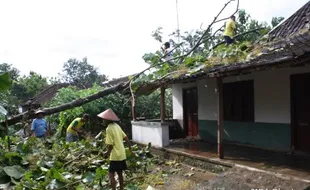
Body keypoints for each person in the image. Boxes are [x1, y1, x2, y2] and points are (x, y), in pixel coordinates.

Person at [98, 108, 132, 190]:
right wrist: (131, 149)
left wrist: (107, 153)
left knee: (111, 174)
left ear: (107, 119)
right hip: (122, 154)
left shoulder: (109, 128)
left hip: (115, 155)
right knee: (120, 173)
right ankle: (121, 188)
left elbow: (110, 145)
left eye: (103, 119)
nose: (102, 121)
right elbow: (126, 138)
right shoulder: (117, 126)